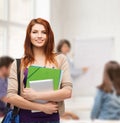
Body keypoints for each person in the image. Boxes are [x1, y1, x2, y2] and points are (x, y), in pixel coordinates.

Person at [7, 18, 72, 123]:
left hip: (52, 118)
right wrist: (42, 107)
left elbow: (67, 92)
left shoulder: (60, 59)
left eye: (44, 32)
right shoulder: (18, 63)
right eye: (35, 32)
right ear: (29, 35)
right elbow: (11, 97)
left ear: (49, 35)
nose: (39, 36)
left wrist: (36, 95)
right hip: (26, 119)